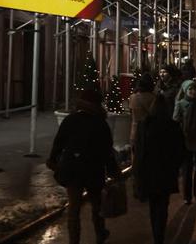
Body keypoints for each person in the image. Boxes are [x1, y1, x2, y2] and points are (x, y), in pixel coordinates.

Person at [48, 89, 118, 244]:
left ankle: (74, 240)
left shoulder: (71, 119)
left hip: (73, 169)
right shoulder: (101, 123)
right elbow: (107, 150)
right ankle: (100, 234)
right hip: (93, 170)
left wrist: (52, 159)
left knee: (74, 208)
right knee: (96, 205)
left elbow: (59, 142)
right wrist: (114, 172)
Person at [133, 95, 184, 244]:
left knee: (153, 204)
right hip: (166, 171)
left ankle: (156, 232)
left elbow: (139, 150)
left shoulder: (144, 125)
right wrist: (176, 166)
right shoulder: (173, 126)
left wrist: (138, 171)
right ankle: (159, 234)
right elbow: (180, 150)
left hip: (149, 171)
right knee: (163, 204)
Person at [129, 73, 157, 146]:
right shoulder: (152, 98)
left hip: (134, 130)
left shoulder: (132, 97)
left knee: (135, 153)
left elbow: (131, 113)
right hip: (148, 130)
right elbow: (154, 113)